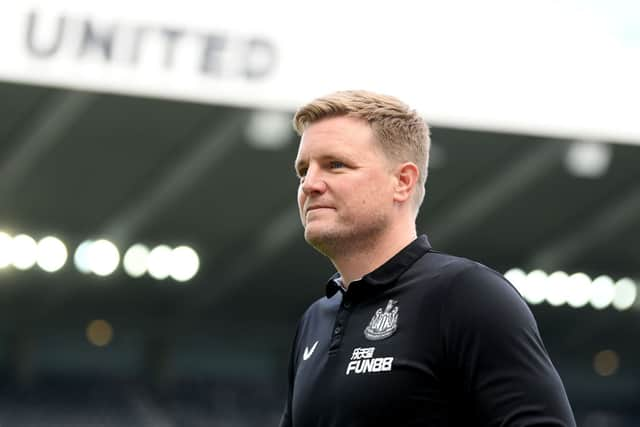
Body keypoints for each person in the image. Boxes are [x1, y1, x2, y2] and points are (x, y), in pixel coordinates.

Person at [279, 90, 576, 426]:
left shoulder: (467, 295)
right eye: (304, 170)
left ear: (403, 182)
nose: (310, 184)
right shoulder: (315, 320)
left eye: (335, 165)